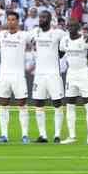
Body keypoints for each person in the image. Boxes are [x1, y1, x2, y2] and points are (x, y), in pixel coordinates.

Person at [0, 11, 33, 144]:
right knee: (3, 104)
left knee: (22, 104)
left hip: (18, 75)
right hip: (4, 75)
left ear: (18, 21)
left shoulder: (24, 35)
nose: (10, 22)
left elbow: (36, 40)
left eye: (13, 20)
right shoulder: (2, 35)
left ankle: (25, 135)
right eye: (8, 20)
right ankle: (4, 135)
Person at [29, 11, 68, 143]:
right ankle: (43, 135)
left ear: (50, 19)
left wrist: (60, 54)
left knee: (57, 103)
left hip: (53, 73)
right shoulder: (35, 32)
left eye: (44, 17)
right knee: (39, 103)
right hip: (39, 74)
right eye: (40, 17)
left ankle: (57, 135)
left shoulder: (58, 33)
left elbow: (67, 44)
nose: (41, 19)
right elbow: (26, 40)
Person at [60, 24, 88, 144]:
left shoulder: (86, 39)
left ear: (78, 29)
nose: (71, 29)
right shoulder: (64, 40)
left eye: (73, 27)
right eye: (69, 27)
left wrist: (87, 55)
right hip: (71, 74)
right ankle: (72, 136)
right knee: (70, 104)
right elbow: (60, 53)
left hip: (83, 73)